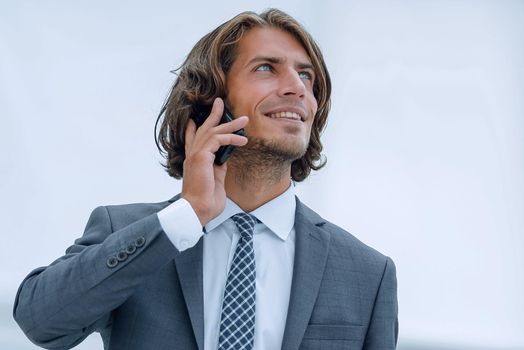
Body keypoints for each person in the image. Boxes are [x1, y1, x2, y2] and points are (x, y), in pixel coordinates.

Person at [13, 8, 398, 350]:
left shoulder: (367, 273)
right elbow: (41, 323)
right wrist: (187, 216)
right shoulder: (130, 232)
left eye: (306, 76)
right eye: (266, 67)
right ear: (209, 99)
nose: (297, 88)